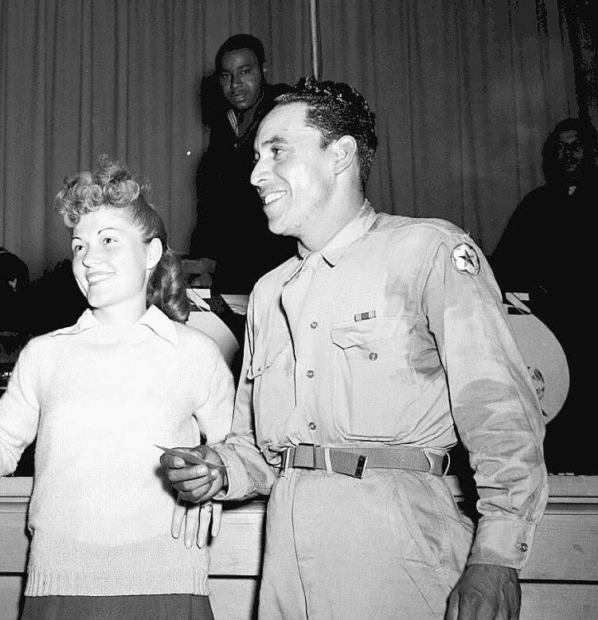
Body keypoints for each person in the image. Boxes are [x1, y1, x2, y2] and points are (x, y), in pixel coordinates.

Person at [163, 78, 548, 620]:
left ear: (340, 155)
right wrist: (219, 467)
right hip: (287, 565)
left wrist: (497, 556)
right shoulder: (270, 292)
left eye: (277, 152)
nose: (255, 175)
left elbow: (501, 414)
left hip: (399, 552)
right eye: (255, 156)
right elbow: (258, 447)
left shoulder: (428, 251)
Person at [0, 157, 236, 620]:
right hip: (60, 588)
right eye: (78, 246)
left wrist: (216, 477)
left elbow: (235, 452)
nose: (88, 258)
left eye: (108, 240)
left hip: (169, 584)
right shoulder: (44, 354)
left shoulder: (196, 352)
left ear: (152, 254)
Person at [491, 117, 596, 475]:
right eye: (561, 148)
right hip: (549, 333)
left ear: (593, 151)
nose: (568, 155)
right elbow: (507, 265)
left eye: (576, 146)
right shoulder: (536, 203)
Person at [190, 33, 295, 293]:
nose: (235, 85)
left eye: (245, 72)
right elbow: (217, 204)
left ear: (264, 70)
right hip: (236, 263)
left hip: (279, 259)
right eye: (226, 76)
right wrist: (207, 260)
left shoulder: (286, 110)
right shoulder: (225, 124)